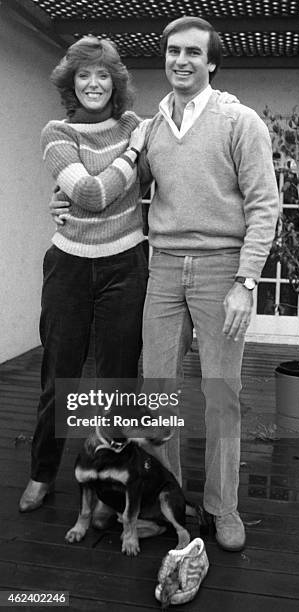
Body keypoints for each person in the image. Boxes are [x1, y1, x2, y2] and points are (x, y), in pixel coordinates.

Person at [137, 17, 279, 551]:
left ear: (212, 62)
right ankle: (168, 502)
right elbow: (128, 188)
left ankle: (224, 507)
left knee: (222, 394)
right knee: (158, 393)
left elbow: (265, 206)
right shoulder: (151, 128)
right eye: (173, 51)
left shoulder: (239, 121)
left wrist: (246, 280)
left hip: (223, 268)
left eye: (193, 53)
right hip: (164, 267)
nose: (181, 60)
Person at [19, 36, 149, 512]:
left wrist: (223, 99)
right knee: (60, 376)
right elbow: (91, 194)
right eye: (83, 75)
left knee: (118, 377)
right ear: (71, 84)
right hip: (69, 264)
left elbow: (180, 139)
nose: (94, 83)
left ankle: (116, 479)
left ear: (116, 83)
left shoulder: (136, 125)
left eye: (103, 74)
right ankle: (41, 472)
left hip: (126, 264)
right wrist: (132, 157)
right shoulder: (57, 132)